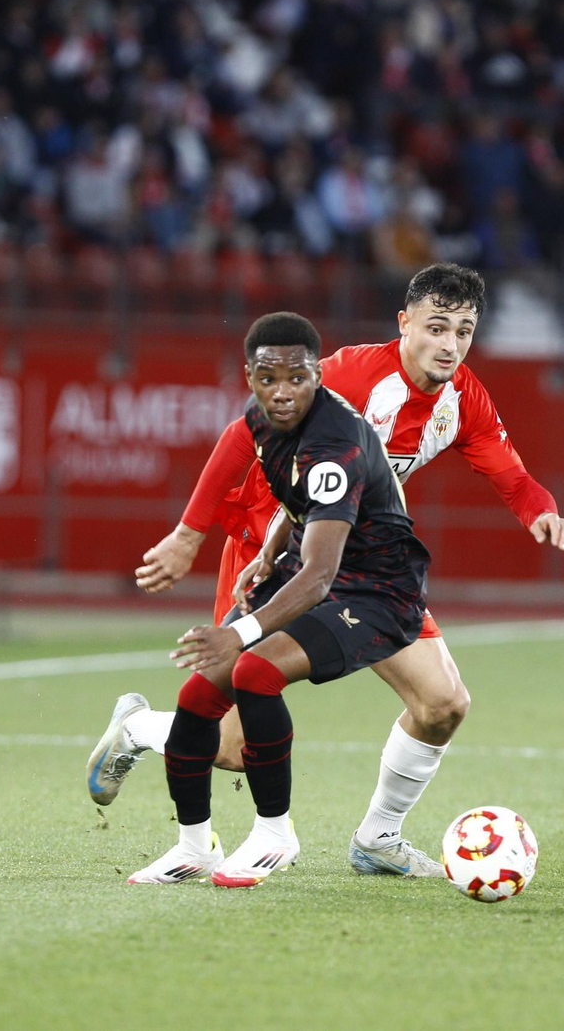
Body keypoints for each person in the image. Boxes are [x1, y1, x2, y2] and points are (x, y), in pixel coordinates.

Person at [89, 263, 564, 877]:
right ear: (404, 324)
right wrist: (190, 534)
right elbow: (241, 437)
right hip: (272, 549)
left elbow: (512, 476)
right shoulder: (348, 376)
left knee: (442, 704)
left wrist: (544, 513)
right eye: (437, 328)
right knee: (233, 746)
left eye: (464, 331)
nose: (451, 345)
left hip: (364, 563)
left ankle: (378, 838)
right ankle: (141, 729)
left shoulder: (462, 400)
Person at [125, 311, 433, 887]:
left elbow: (319, 576)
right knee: (197, 697)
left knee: (256, 672)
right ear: (250, 377)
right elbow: (303, 510)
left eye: (298, 378)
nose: (283, 392)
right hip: (314, 567)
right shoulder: (263, 422)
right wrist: (268, 550)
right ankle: (193, 847)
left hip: (377, 590)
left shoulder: (336, 441)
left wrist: (237, 631)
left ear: (319, 374)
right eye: (269, 379)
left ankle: (275, 834)